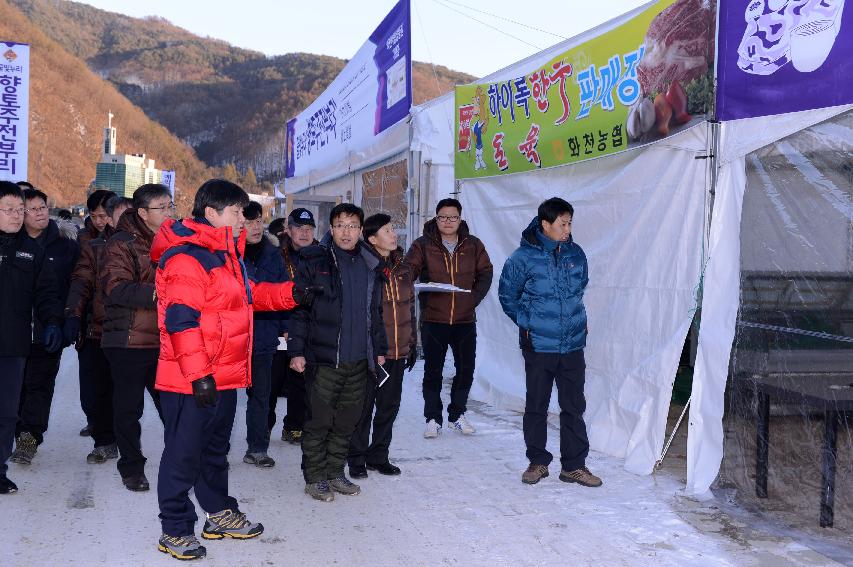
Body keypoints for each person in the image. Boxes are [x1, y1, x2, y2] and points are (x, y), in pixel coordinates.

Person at [151, 179, 313, 560]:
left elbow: (249, 295)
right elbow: (180, 322)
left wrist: (293, 293)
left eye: (244, 212)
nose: (244, 220)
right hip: (192, 378)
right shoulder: (187, 259)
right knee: (182, 453)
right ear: (211, 213)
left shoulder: (227, 256)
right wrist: (198, 375)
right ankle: (174, 527)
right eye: (237, 212)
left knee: (214, 450)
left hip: (221, 375)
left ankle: (217, 511)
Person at [498, 197, 601, 488]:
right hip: (539, 345)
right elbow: (507, 295)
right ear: (546, 224)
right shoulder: (522, 258)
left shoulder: (575, 254)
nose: (567, 229)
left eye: (569, 223)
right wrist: (527, 322)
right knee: (537, 405)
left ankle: (574, 466)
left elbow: (580, 287)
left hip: (572, 344)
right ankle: (538, 462)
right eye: (562, 224)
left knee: (574, 406)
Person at [289, 203, 387, 502]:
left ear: (361, 231)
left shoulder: (371, 263)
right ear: (331, 229)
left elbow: (376, 312)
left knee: (347, 421)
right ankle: (315, 477)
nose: (347, 231)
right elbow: (300, 309)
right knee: (319, 420)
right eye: (340, 225)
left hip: (359, 359)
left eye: (353, 225)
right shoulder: (314, 260)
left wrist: (379, 349)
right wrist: (296, 350)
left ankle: (334, 472)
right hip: (324, 358)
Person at [101, 184, 173, 492]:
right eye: (162, 207)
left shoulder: (174, 240)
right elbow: (115, 288)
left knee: (173, 406)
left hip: (165, 340)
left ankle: (182, 461)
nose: (169, 212)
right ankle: (131, 466)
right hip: (128, 339)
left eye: (171, 205)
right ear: (142, 212)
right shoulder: (121, 243)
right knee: (129, 409)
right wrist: (161, 293)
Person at [405, 198, 493, 438]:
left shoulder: (473, 245)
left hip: (465, 319)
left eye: (452, 217)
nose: (447, 222)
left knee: (466, 369)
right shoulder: (423, 245)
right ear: (436, 218)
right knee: (433, 370)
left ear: (460, 219)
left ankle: (457, 414)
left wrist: (473, 298)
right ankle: (433, 418)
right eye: (442, 217)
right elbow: (409, 269)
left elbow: (486, 272)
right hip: (434, 318)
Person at [0, 182, 61, 494]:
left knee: (7, 412)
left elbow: (48, 293)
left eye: (19, 210)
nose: (16, 215)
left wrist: (52, 322)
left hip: (13, 345)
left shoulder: (30, 251)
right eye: (9, 210)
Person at [10, 188, 79, 465]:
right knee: (15, 386)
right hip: (14, 329)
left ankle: (29, 438)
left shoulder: (65, 245)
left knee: (40, 384)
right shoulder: (11, 244)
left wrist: (70, 318)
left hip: (49, 328)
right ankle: (13, 432)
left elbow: (77, 285)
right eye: (33, 209)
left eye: (43, 208)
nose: (40, 213)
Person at [347, 214, 416, 479]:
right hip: (372, 350)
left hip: (398, 350)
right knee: (363, 407)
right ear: (372, 238)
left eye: (392, 229)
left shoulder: (403, 267)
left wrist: (412, 342)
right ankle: (356, 457)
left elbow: (410, 307)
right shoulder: (364, 267)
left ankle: (379, 455)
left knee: (389, 407)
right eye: (387, 231)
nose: (393, 234)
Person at [241, 201, 288, 468]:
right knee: (220, 399)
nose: (256, 227)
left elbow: (282, 293)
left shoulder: (273, 254)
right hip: (231, 339)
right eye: (249, 222)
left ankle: (257, 448)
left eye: (259, 220)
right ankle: (213, 448)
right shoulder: (226, 254)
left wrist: (286, 327)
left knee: (261, 395)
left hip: (263, 336)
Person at [65, 189, 114, 440]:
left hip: (117, 326)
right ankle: (94, 420)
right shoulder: (83, 240)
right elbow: (79, 280)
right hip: (90, 323)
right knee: (90, 384)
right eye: (95, 216)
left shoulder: (125, 240)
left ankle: (109, 429)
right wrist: (72, 314)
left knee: (113, 384)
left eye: (104, 215)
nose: (100, 221)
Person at [268, 208, 317, 444]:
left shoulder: (321, 255)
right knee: (271, 383)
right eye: (299, 228)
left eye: (309, 229)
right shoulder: (275, 255)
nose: (304, 233)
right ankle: (262, 433)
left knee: (302, 382)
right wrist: (284, 327)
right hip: (279, 330)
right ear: (288, 229)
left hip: (308, 330)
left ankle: (294, 426)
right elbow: (267, 294)